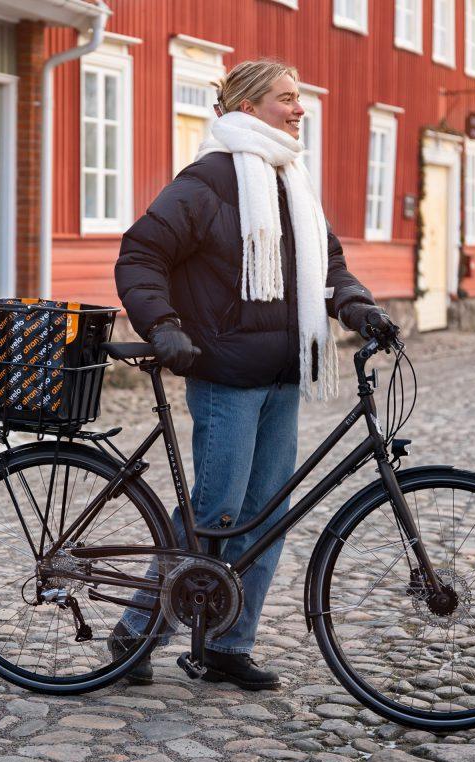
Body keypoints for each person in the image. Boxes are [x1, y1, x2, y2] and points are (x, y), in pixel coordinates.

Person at [108, 59, 400, 690]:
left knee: (269, 515)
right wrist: (162, 325)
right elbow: (141, 253)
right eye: (286, 99)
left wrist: (358, 306)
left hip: (283, 376)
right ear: (247, 105)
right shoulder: (209, 179)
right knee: (217, 512)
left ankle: (225, 644)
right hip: (223, 376)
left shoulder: (291, 180)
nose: (299, 110)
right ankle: (135, 632)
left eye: (299, 99)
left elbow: (329, 266)